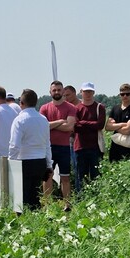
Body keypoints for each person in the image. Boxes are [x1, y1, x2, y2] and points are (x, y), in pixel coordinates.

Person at [9, 89, 53, 211]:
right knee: (34, 194)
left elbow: (14, 145)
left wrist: (10, 162)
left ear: (21, 103)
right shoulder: (43, 119)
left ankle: (23, 221)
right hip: (40, 161)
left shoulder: (19, 120)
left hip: (24, 161)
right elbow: (47, 144)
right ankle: (36, 218)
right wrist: (49, 164)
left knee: (22, 196)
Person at [40, 81, 76, 210]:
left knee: (65, 177)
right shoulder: (44, 108)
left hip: (64, 147)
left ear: (62, 91)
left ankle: (67, 204)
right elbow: (43, 127)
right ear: (50, 92)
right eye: (54, 90)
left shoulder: (70, 107)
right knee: (47, 176)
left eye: (59, 90)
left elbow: (70, 127)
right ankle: (47, 204)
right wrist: (61, 121)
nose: (56, 92)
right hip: (48, 148)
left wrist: (52, 124)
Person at [73, 82, 105, 191]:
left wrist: (83, 123)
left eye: (90, 91)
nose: (88, 94)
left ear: (93, 92)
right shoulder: (76, 108)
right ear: (81, 92)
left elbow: (100, 125)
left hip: (95, 147)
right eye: (85, 91)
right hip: (80, 147)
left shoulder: (99, 107)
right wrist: (92, 124)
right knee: (80, 177)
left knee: (96, 176)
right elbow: (76, 127)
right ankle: (81, 200)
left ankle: (97, 198)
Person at [105, 83, 130, 162]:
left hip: (127, 146)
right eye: (122, 94)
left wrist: (114, 126)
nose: (125, 96)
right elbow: (107, 127)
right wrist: (122, 124)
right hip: (114, 146)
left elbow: (127, 130)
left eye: (127, 94)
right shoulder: (115, 108)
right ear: (119, 95)